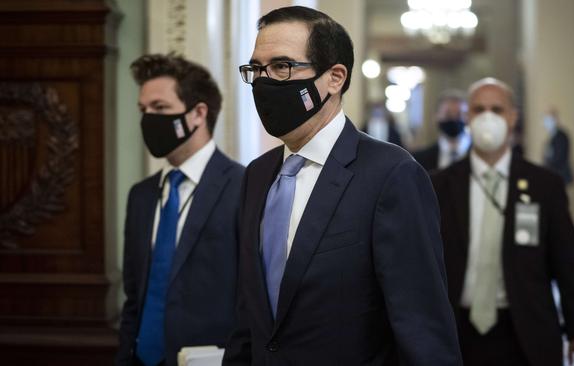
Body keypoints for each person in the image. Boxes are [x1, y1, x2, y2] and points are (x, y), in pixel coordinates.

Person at [224, 6, 461, 366]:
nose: (263, 82)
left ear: (335, 78)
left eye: (282, 67)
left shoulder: (392, 174)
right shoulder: (257, 176)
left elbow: (421, 326)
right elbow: (249, 318)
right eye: (256, 69)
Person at [430, 77, 574, 366]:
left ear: (513, 117)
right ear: (467, 117)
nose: (487, 117)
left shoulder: (545, 186)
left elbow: (566, 263)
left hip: (526, 331)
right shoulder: (437, 185)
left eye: (497, 109)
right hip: (455, 330)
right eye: (479, 110)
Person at [116, 54, 244, 366]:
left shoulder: (244, 187)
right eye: (143, 110)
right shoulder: (141, 195)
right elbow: (134, 296)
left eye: (160, 108)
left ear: (198, 113)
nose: (148, 119)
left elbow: (252, 298)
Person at [412, 89, 471, 172]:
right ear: (436, 116)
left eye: (459, 114)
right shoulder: (419, 159)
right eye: (448, 114)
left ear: (467, 117)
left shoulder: (480, 156)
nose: (453, 119)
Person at [543, 108, 574, 185]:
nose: (546, 122)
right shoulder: (552, 136)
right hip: (554, 175)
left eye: (548, 119)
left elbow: (559, 157)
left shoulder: (561, 136)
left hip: (560, 175)